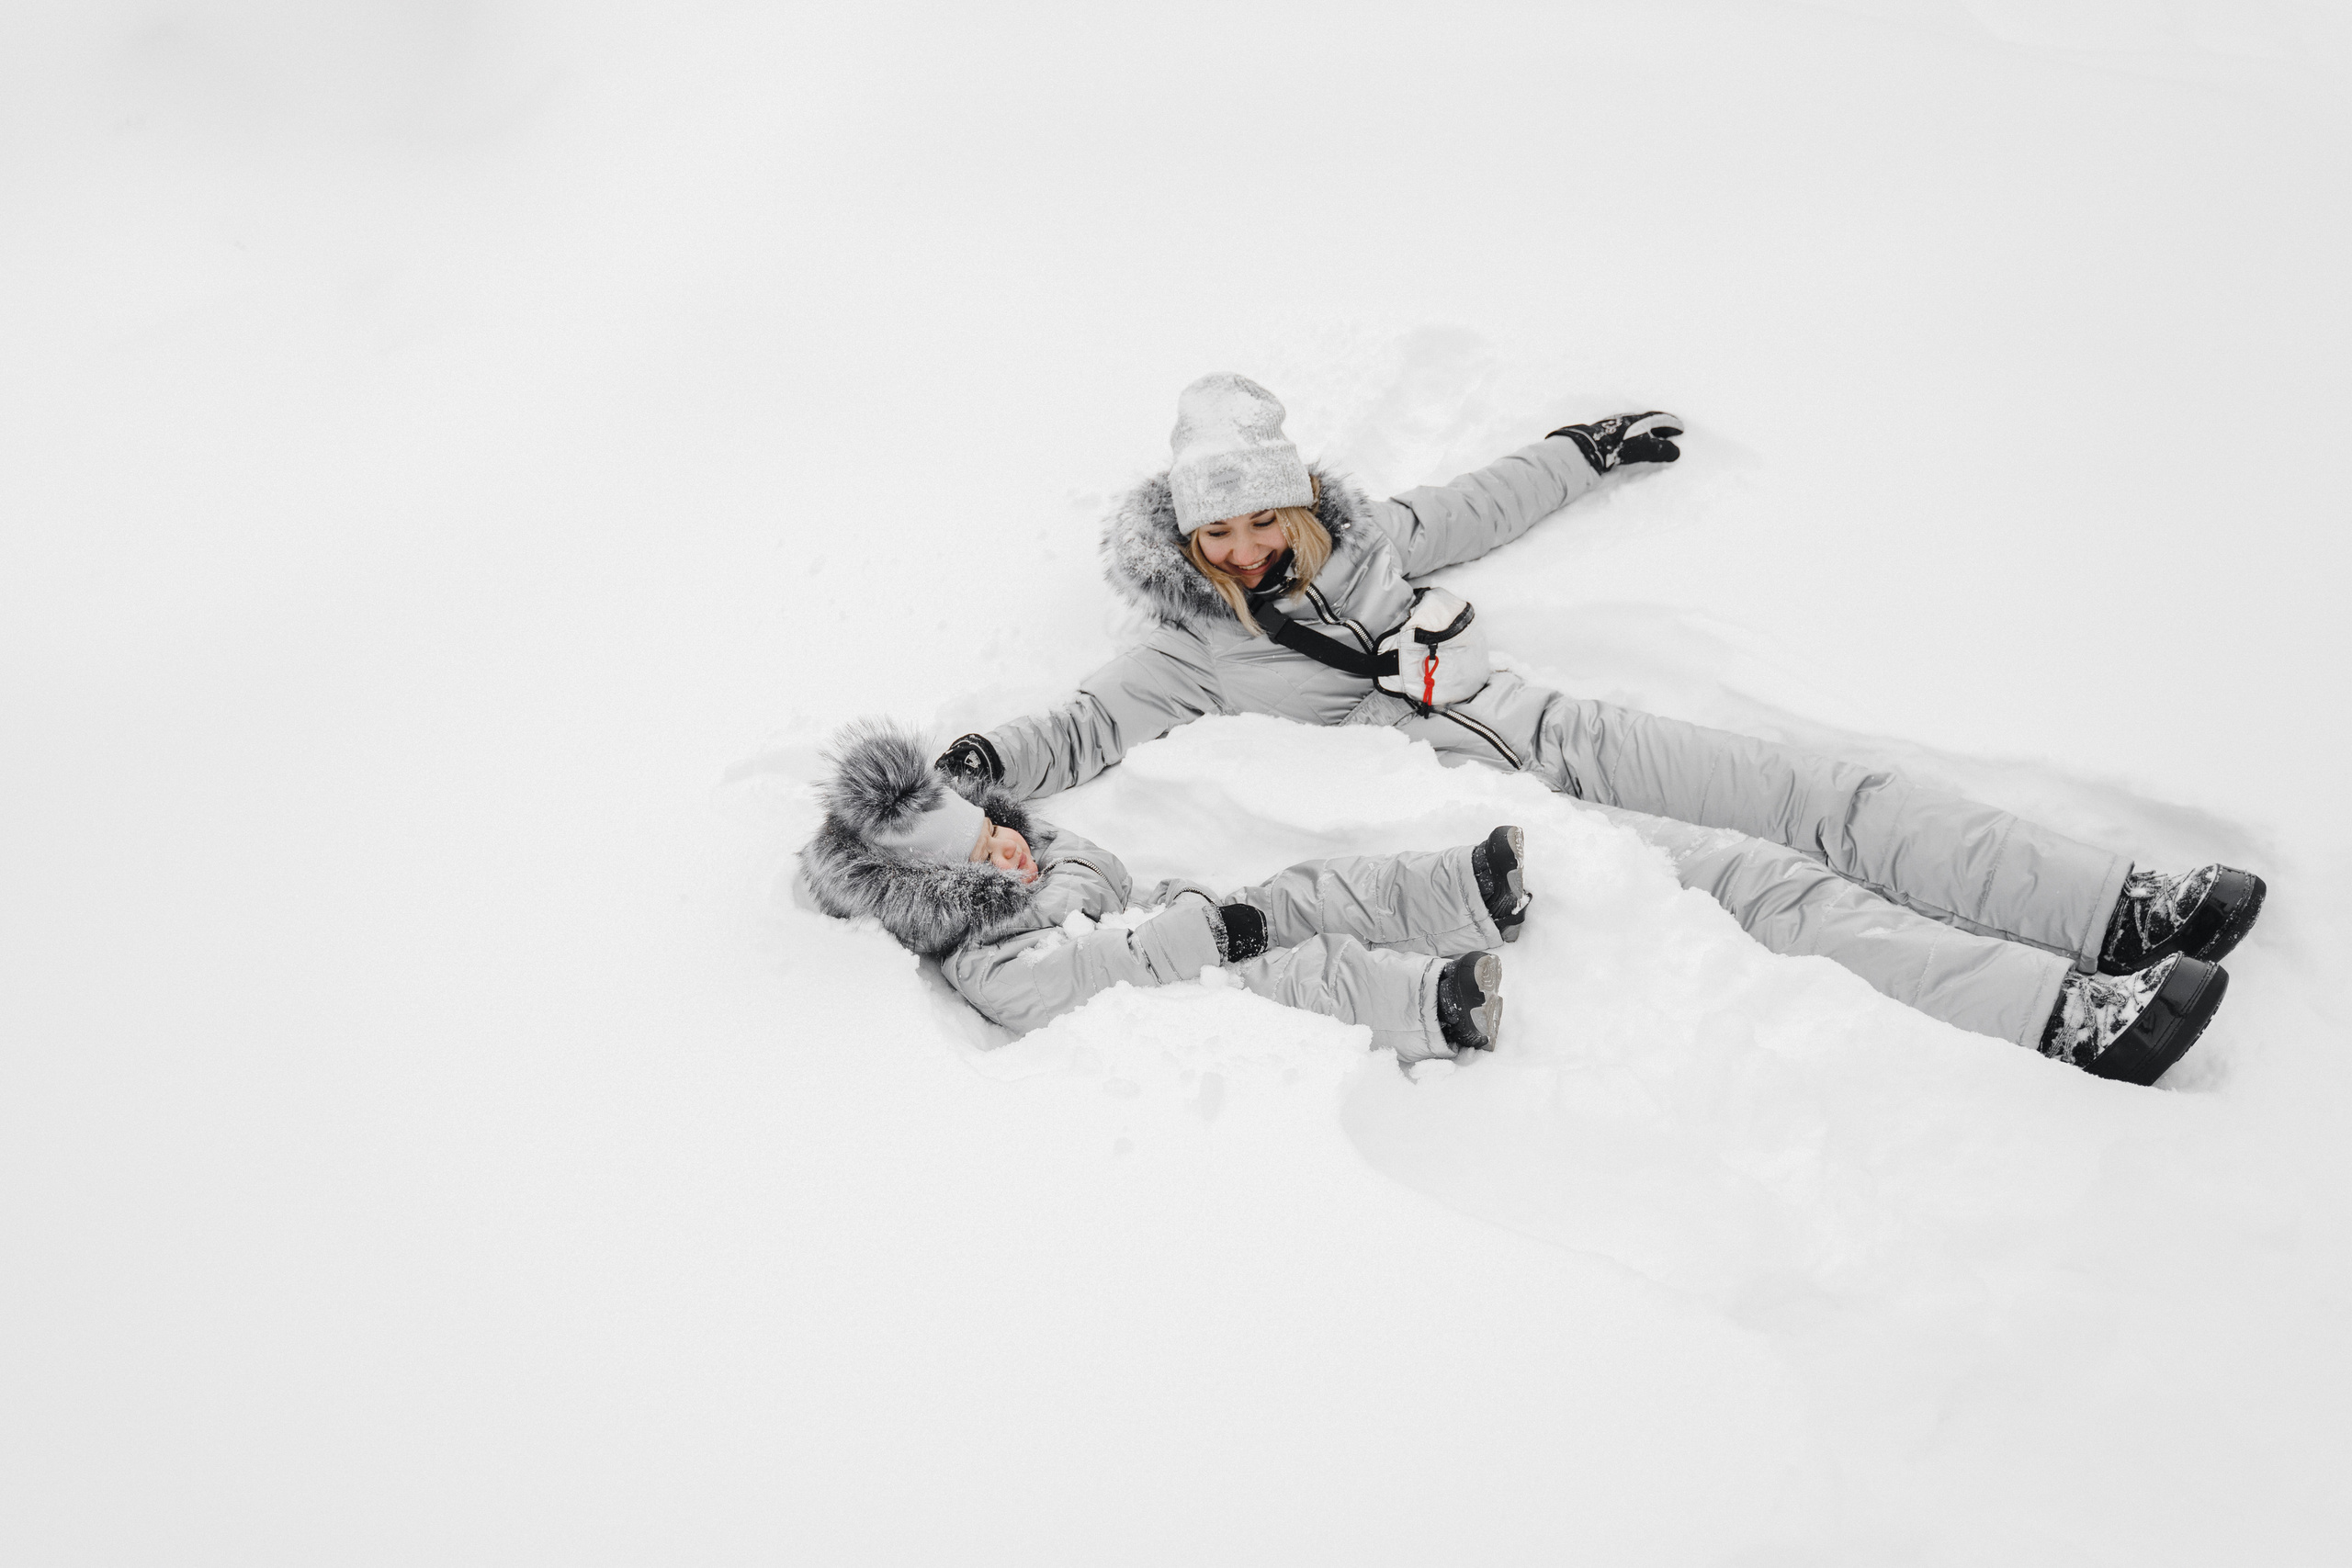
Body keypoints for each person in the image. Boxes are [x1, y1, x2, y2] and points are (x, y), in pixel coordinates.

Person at [929, 373, 2265, 1086]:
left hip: (1555, 725)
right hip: (1486, 804)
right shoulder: (1187, 640)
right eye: (1211, 527)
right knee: (1773, 885)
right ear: (1183, 532)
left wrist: (1584, 446)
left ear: (1292, 502)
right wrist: (992, 766)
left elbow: (1484, 499)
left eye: (1256, 516)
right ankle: (2073, 1013)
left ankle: (2123, 906)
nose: (1239, 545)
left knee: (1826, 789)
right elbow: (1088, 720)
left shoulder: (1374, 533)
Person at [800, 720, 1524, 1064]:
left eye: (997, 826)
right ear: (953, 891)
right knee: (1298, 978)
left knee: (1303, 892)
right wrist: (1200, 935)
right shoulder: (984, 960)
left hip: (1182, 923)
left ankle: (1467, 888)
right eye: (988, 854)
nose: (1013, 844)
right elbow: (1086, 971)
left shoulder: (1029, 856)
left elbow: (1111, 881)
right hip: (1172, 985)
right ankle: (1440, 1003)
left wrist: (1187, 905)